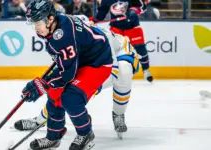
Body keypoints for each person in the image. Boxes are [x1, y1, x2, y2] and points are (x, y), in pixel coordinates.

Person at [13, 15, 139, 139]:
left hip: (119, 53)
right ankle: (40, 120)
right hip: (90, 58)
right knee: (61, 87)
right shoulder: (70, 32)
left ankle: (118, 113)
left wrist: (90, 88)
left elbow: (112, 72)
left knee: (124, 73)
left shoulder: (100, 38)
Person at [22, 0, 113, 149]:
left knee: (71, 98)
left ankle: (85, 133)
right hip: (81, 60)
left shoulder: (62, 36)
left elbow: (68, 74)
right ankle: (53, 137)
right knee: (54, 93)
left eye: (38, 24)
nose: (36, 29)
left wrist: (43, 84)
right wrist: (44, 84)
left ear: (50, 19)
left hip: (98, 63)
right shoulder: (57, 23)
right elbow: (65, 65)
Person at [92, 0, 153, 82]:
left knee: (140, 48)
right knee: (113, 50)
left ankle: (146, 70)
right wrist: (94, 21)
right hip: (116, 28)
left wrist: (133, 11)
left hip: (133, 27)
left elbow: (142, 7)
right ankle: (114, 72)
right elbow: (101, 14)